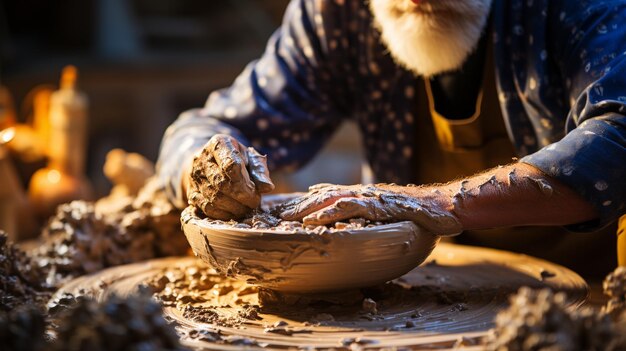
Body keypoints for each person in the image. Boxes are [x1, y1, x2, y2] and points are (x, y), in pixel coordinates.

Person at [157, 0, 626, 275]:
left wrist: (430, 204)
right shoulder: (338, 12)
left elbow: (619, 134)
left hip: (589, 293)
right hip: (425, 290)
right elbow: (201, 129)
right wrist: (211, 169)